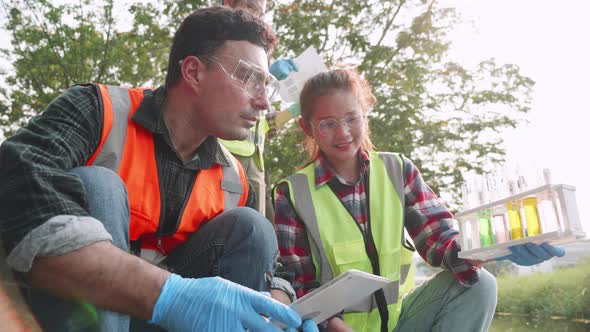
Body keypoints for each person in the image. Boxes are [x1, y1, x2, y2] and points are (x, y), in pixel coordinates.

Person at [0, 7, 316, 332]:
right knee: (99, 185)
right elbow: (17, 178)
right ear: (193, 72)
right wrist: (168, 294)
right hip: (70, 307)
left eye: (267, 85)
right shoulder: (98, 110)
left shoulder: (235, 179)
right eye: (249, 78)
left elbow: (276, 268)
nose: (264, 102)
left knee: (253, 227)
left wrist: (277, 308)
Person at [273, 68, 566, 332]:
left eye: (352, 118)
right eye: (328, 123)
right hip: (335, 330)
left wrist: (495, 250)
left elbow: (439, 241)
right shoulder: (292, 193)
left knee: (481, 285)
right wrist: (332, 325)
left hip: (402, 323)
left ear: (365, 114)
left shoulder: (398, 170)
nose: (343, 132)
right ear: (307, 127)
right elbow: (300, 285)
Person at [221, 0, 300, 218]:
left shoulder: (259, 50)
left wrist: (291, 112)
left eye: (261, 12)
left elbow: (261, 125)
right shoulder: (215, 41)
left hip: (256, 164)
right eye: (251, 6)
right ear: (228, 3)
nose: (257, 16)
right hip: (224, 157)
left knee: (260, 237)